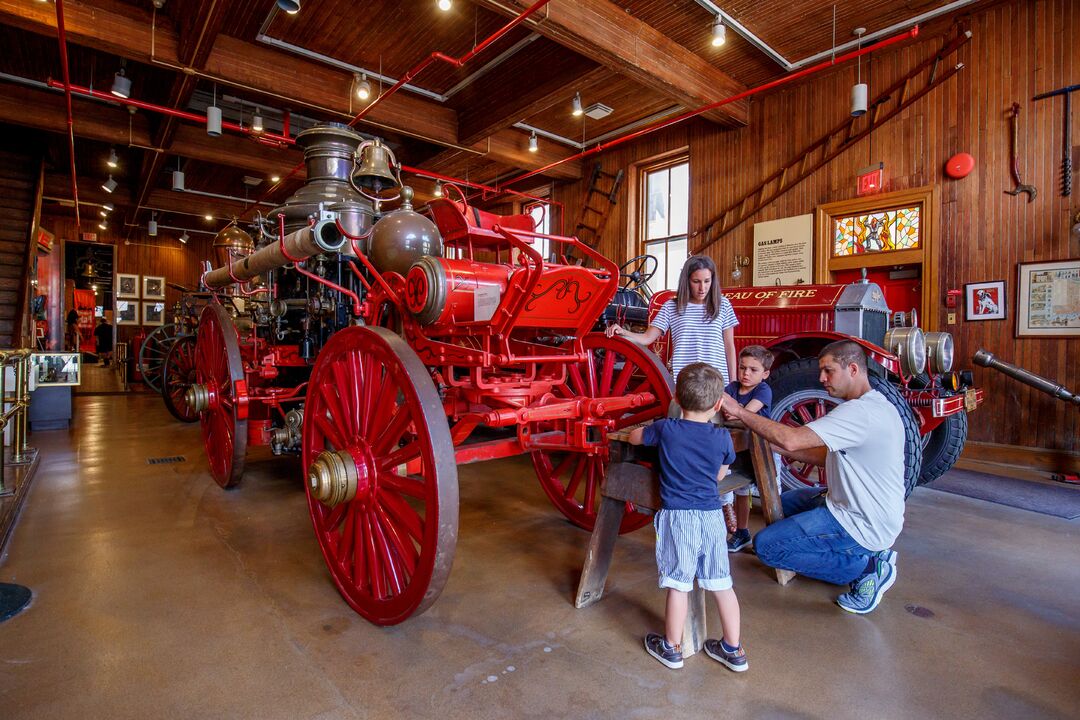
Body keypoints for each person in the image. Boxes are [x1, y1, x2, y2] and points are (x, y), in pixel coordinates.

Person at [719, 340, 904, 614]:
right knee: (783, 503)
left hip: (860, 520)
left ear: (853, 369)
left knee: (767, 547)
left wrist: (738, 411)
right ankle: (867, 551)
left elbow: (793, 440)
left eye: (828, 371)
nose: (821, 379)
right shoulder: (877, 404)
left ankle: (866, 569)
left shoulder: (859, 413)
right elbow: (820, 454)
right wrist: (767, 442)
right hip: (856, 506)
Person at [629, 363, 747, 672]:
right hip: (711, 517)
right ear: (718, 403)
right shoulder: (721, 438)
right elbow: (721, 473)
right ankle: (733, 650)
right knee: (722, 582)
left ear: (677, 400)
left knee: (679, 583)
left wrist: (637, 432)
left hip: (678, 518)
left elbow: (634, 438)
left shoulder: (666, 429)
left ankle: (672, 647)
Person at [606, 254, 739, 386]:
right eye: (696, 281)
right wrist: (622, 331)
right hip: (687, 383)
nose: (702, 288)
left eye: (707, 281)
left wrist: (733, 384)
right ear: (687, 281)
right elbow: (647, 338)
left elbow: (729, 347)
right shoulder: (671, 307)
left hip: (717, 382)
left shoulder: (723, 305)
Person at [722, 345, 774, 553]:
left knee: (771, 491)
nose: (745, 373)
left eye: (753, 370)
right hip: (738, 448)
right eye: (742, 368)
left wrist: (735, 410)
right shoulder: (732, 388)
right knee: (740, 491)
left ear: (765, 374)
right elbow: (726, 411)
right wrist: (735, 411)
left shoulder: (763, 390)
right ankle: (741, 532)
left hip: (761, 448)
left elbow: (743, 413)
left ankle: (775, 537)